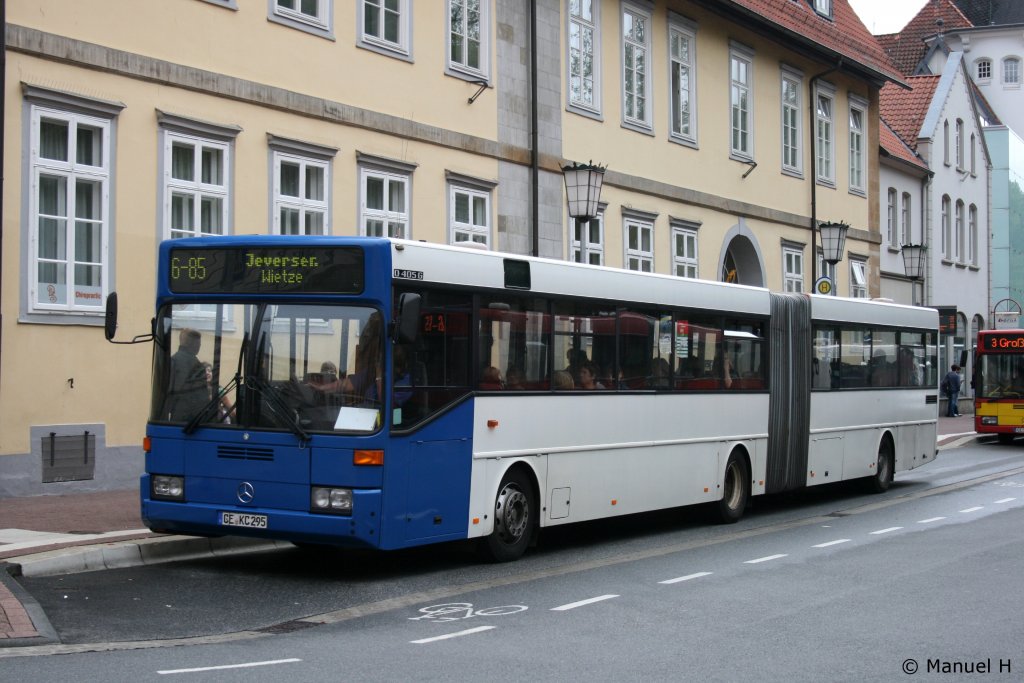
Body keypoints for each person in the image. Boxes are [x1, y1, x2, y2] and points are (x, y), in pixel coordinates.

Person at [165, 328, 207, 421]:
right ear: (192, 344)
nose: (199, 346)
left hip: (176, 417)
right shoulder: (197, 366)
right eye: (198, 344)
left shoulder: (172, 361)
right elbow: (202, 400)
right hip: (193, 422)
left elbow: (167, 393)